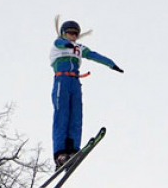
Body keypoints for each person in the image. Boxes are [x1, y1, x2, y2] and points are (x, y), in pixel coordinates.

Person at [51, 19, 123, 168]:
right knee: (62, 115)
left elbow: (93, 55)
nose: (73, 36)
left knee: (76, 116)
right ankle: (60, 153)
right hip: (62, 80)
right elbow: (61, 44)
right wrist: (67, 44)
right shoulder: (58, 44)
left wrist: (111, 64)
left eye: (76, 34)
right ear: (64, 33)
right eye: (70, 33)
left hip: (75, 81)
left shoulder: (78, 47)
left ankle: (72, 150)